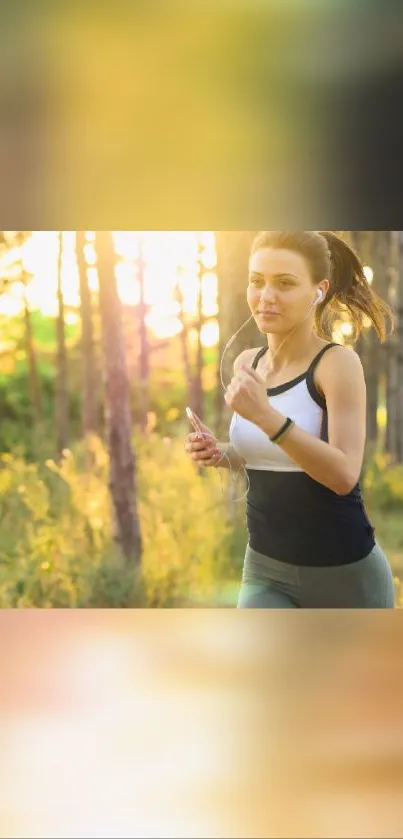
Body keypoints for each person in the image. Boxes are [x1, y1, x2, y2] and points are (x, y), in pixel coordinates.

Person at [185, 230, 396, 608]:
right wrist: (222, 452)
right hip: (266, 570)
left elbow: (344, 474)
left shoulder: (336, 364)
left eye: (284, 283)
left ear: (319, 290)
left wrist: (266, 417)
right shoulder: (246, 362)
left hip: (345, 576)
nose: (266, 297)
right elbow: (269, 455)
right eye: (257, 281)